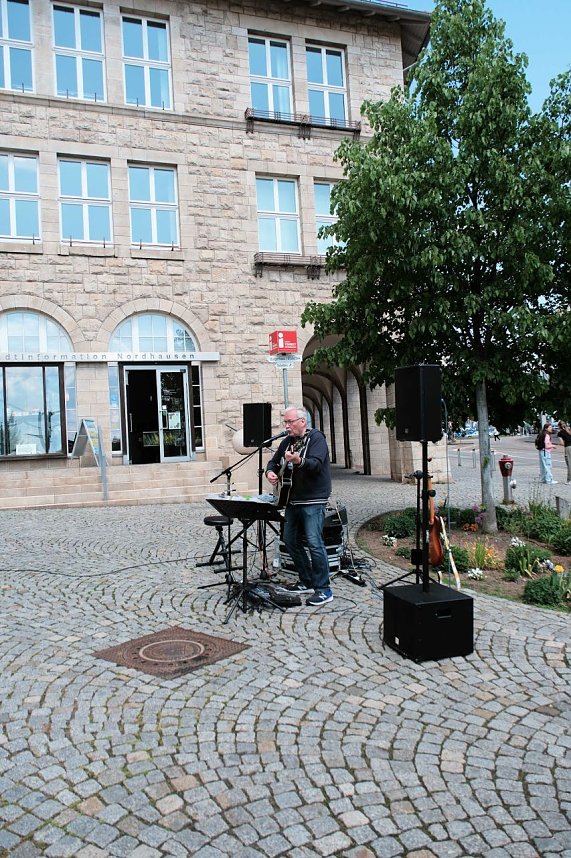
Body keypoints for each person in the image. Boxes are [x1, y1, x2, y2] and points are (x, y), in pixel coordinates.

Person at [266, 406, 333, 606]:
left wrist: (299, 461)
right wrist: (270, 472)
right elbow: (274, 462)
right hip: (292, 499)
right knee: (289, 540)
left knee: (314, 542)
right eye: (285, 422)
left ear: (302, 422)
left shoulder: (316, 439)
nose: (286, 426)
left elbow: (315, 464)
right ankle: (307, 580)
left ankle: (324, 589)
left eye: (290, 422)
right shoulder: (287, 441)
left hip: (313, 499)